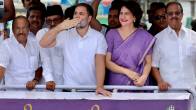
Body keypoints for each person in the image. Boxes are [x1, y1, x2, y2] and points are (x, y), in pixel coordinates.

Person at [39, 3, 111, 96]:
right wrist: (60, 27)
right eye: (75, 13)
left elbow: (100, 63)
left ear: (89, 19)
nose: (77, 16)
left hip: (91, 90)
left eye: (81, 14)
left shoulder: (98, 37)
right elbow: (43, 43)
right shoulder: (65, 34)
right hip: (68, 90)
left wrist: (100, 86)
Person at [152, 2, 196, 109]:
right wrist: (160, 81)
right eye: (170, 14)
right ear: (166, 16)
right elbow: (154, 65)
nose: (174, 16)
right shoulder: (158, 39)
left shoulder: (194, 36)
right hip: (169, 94)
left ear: (182, 15)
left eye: (177, 13)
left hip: (192, 92)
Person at [105, 1, 155, 87]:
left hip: (138, 83)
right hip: (115, 84)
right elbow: (106, 62)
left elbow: (148, 62)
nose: (123, 17)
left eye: (127, 13)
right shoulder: (111, 34)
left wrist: (144, 77)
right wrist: (128, 72)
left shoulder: (144, 36)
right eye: (121, 13)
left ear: (134, 17)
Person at [0, 16, 40, 90]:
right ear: (12, 30)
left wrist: (35, 81)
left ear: (28, 29)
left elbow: (38, 67)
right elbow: (1, 69)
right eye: (17, 28)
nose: (21, 31)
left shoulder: (35, 44)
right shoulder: (6, 45)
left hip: (32, 93)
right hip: (13, 95)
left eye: (24, 28)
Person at [36, 5, 64, 91]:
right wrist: (49, 79)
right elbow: (45, 58)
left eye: (55, 20)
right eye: (49, 21)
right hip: (46, 84)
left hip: (65, 84)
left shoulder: (68, 34)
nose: (52, 23)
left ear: (62, 19)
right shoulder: (42, 33)